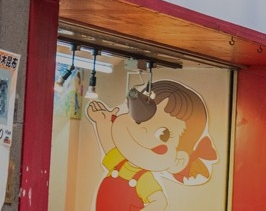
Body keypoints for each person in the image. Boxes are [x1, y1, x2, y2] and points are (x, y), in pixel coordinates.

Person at [86, 81, 218, 211]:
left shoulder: (143, 179)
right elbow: (110, 148)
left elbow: (160, 202)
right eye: (138, 120)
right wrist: (101, 122)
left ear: (178, 160)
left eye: (162, 134)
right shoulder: (119, 164)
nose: (143, 130)